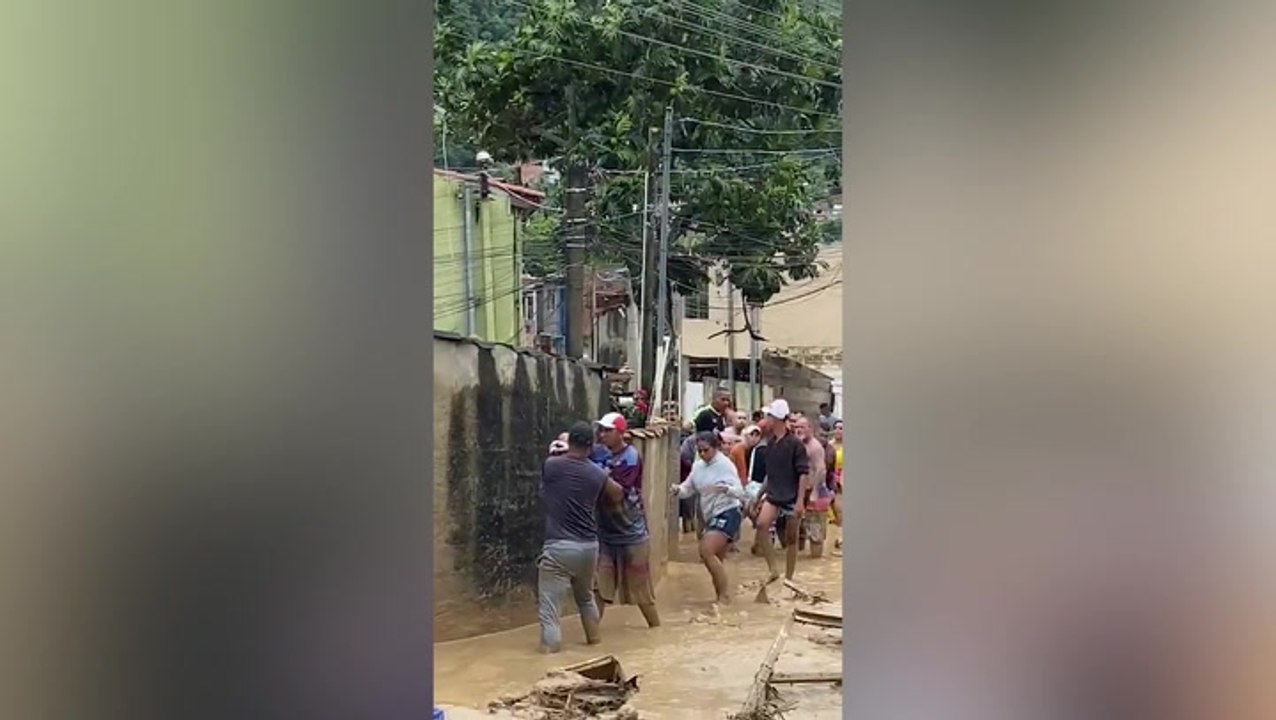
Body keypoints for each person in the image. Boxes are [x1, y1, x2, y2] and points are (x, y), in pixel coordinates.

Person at [536, 422, 616, 653]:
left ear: (569, 442)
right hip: (589, 547)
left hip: (558, 547)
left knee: (550, 608)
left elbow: (548, 486)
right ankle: (595, 644)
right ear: (591, 445)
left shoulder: (552, 465)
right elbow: (617, 493)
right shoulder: (597, 474)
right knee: (586, 598)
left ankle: (549, 657)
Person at [591, 412, 660, 628]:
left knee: (642, 592)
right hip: (606, 533)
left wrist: (595, 471)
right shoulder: (598, 454)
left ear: (621, 433)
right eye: (600, 430)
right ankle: (592, 639)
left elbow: (617, 493)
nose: (602, 435)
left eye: (607, 430)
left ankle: (655, 629)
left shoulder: (630, 457)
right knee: (599, 589)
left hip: (632, 533)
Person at [671, 432, 752, 604]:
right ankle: (721, 601)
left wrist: (726, 489)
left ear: (715, 448)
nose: (702, 454)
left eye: (705, 450)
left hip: (728, 511)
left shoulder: (725, 465)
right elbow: (689, 488)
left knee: (706, 550)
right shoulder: (698, 465)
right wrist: (678, 490)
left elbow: (740, 492)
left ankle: (725, 596)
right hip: (710, 515)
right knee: (716, 560)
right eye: (699, 450)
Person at [756, 399, 810, 580]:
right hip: (773, 494)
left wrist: (800, 501)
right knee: (761, 525)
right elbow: (769, 474)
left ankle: (789, 577)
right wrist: (758, 495)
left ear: (777, 419)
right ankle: (773, 569)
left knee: (791, 538)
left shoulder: (795, 444)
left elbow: (803, 474)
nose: (765, 420)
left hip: (792, 496)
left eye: (768, 416)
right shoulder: (770, 443)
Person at [794, 416, 833, 558]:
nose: (798, 430)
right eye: (796, 427)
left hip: (815, 490)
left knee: (816, 531)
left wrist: (815, 492)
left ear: (810, 428)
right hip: (799, 491)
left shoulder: (815, 447)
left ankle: (816, 560)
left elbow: (821, 469)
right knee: (797, 526)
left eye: (802, 427)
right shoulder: (796, 444)